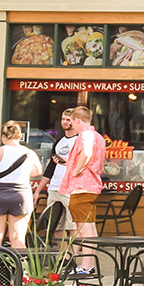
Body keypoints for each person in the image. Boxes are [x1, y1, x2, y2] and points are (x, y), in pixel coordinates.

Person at [0, 122, 42, 248]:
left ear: (3, 136)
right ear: (20, 135)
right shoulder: (29, 153)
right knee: (18, 239)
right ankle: (21, 267)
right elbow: (37, 172)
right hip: (21, 194)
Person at [65, 104, 108, 274]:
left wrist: (76, 170)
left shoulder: (86, 135)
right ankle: (88, 265)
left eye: (72, 121)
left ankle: (86, 266)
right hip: (92, 186)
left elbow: (87, 152)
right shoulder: (98, 136)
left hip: (81, 186)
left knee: (83, 229)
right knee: (90, 228)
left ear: (77, 120)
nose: (71, 126)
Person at [42, 109, 77, 234]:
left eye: (68, 119)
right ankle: (63, 253)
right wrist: (38, 190)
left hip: (70, 188)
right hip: (54, 187)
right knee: (55, 225)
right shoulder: (59, 141)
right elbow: (51, 167)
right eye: (63, 119)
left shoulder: (80, 141)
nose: (65, 122)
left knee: (73, 225)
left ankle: (72, 253)